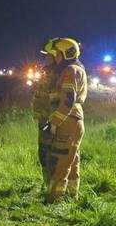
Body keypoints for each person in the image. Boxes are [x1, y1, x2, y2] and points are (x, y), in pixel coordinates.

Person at [42, 37, 87, 202]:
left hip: (68, 122)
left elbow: (67, 101)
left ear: (66, 54)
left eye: (58, 55)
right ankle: (71, 196)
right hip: (73, 120)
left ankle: (54, 199)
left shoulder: (69, 71)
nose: (55, 59)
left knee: (60, 161)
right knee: (72, 160)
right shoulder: (75, 69)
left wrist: (54, 123)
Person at [31, 39, 60, 183]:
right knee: (43, 153)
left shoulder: (55, 76)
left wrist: (50, 122)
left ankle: (52, 184)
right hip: (43, 120)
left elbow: (56, 101)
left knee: (48, 153)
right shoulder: (47, 73)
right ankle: (47, 182)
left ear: (55, 57)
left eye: (48, 55)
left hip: (49, 122)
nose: (46, 58)